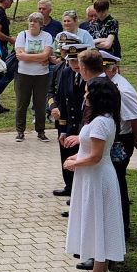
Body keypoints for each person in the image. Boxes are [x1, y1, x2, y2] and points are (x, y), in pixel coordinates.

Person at [64, 76, 125, 272]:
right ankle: (100, 270)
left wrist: (75, 163)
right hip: (95, 175)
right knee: (99, 221)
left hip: (97, 176)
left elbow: (96, 156)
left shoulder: (100, 122)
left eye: (88, 92)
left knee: (99, 222)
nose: (85, 95)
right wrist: (78, 156)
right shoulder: (104, 118)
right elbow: (90, 149)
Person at [101, 51, 137, 243]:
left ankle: (122, 230)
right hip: (115, 138)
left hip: (121, 140)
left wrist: (133, 140)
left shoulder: (122, 90)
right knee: (111, 184)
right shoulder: (109, 85)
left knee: (118, 184)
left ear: (113, 69)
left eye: (104, 70)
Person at [47, 40, 86, 200]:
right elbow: (62, 99)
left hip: (84, 124)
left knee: (81, 157)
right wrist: (63, 128)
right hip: (68, 122)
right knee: (67, 154)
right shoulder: (65, 72)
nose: (75, 64)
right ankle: (70, 186)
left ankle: (78, 192)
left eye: (78, 60)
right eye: (71, 61)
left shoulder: (88, 74)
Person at [13, 12, 54, 142]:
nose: (32, 24)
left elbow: (46, 55)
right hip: (23, 74)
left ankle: (40, 131)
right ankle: (20, 131)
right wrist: (39, 57)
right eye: (30, 21)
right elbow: (19, 55)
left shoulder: (46, 36)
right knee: (21, 103)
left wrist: (28, 57)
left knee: (40, 104)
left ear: (41, 24)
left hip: (41, 75)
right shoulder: (22, 35)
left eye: (35, 21)